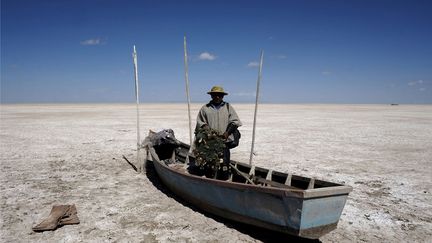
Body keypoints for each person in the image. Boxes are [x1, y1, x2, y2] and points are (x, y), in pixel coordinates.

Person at [195, 85, 242, 166]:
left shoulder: (228, 107)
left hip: (224, 142)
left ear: (223, 96)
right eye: (215, 94)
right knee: (209, 163)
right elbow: (200, 123)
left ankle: (223, 176)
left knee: (224, 164)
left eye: (219, 95)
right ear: (211, 96)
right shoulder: (205, 108)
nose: (217, 97)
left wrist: (227, 132)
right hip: (209, 142)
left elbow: (235, 121)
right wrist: (207, 130)